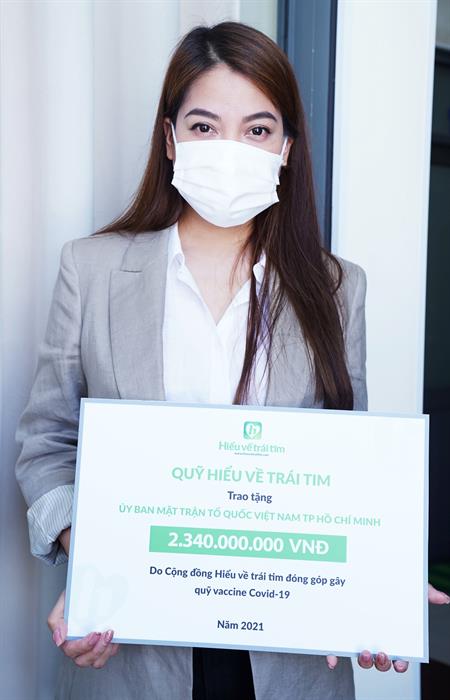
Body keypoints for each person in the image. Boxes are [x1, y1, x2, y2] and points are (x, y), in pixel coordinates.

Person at [15, 20, 449, 700]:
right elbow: (46, 443)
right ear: (169, 139)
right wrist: (95, 558)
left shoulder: (338, 289)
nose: (229, 150)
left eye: (257, 129)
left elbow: (345, 476)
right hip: (133, 652)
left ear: (286, 148)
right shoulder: (92, 270)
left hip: (289, 661)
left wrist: (374, 582)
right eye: (204, 126)